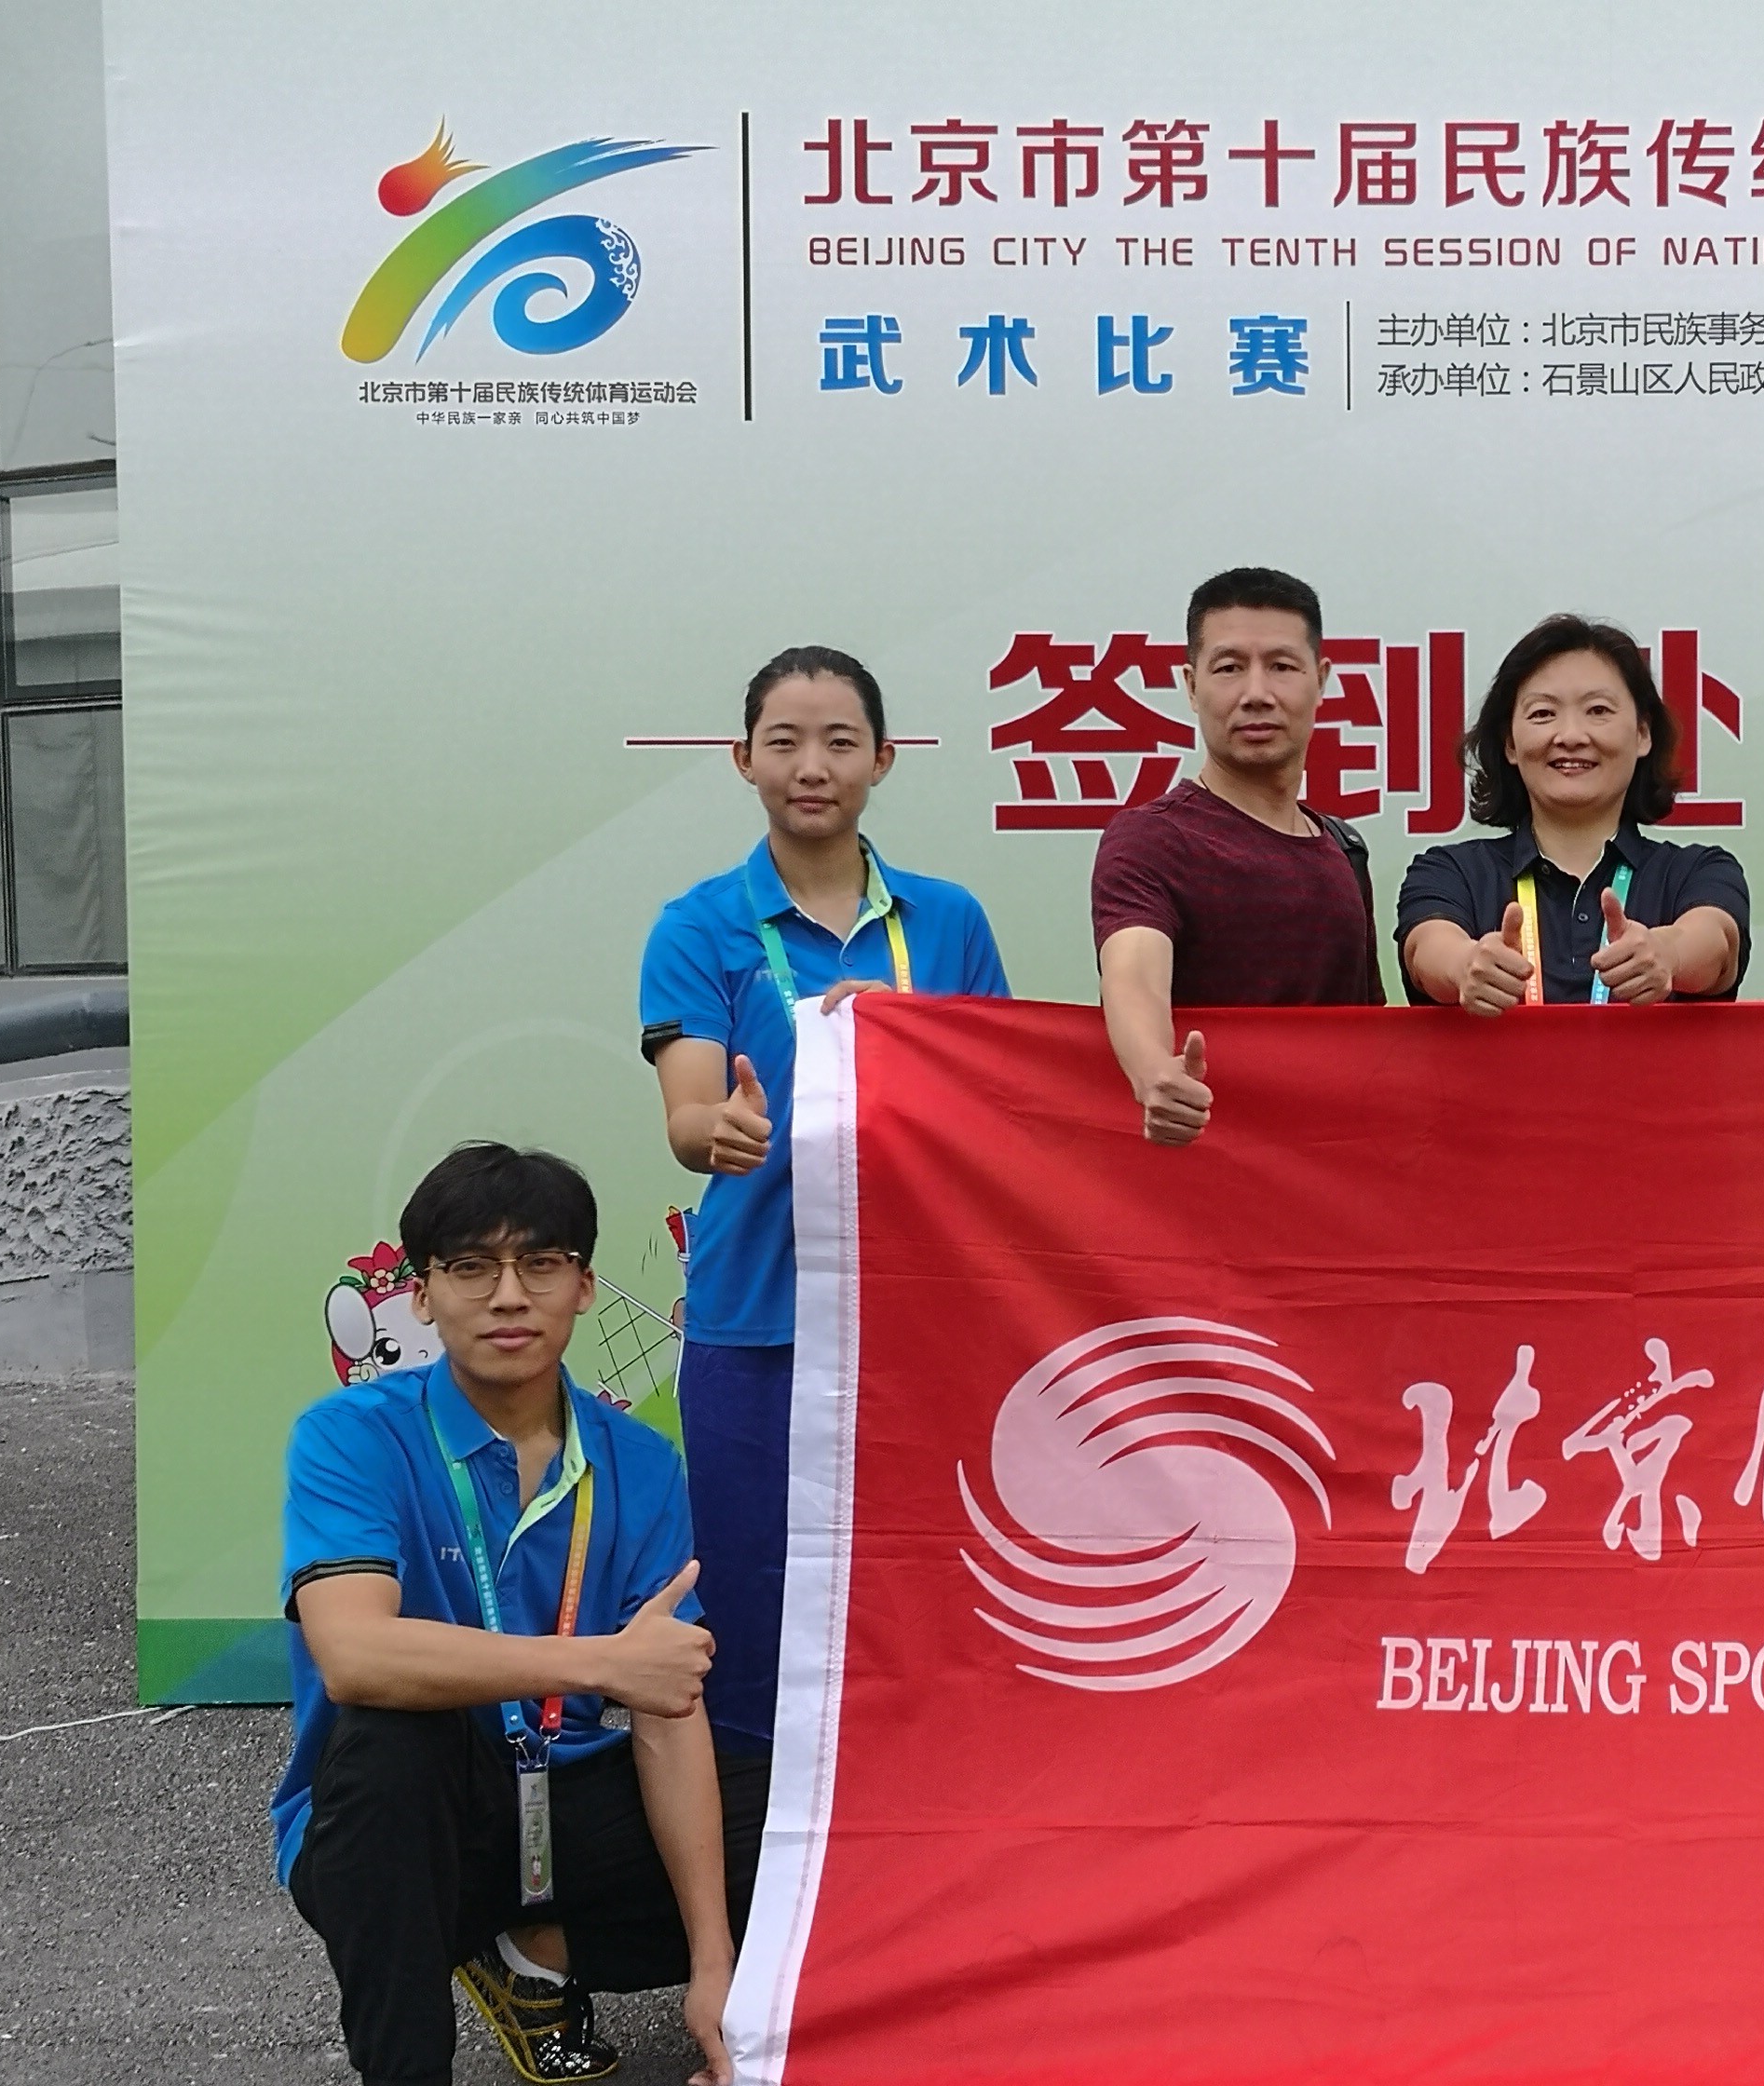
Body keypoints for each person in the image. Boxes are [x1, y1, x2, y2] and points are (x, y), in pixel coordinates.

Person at [276, 1143, 761, 2086]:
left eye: (540, 1262)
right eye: (472, 1266)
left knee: (798, 1825)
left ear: (583, 1285)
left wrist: (716, 1968)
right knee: (390, 1742)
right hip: (408, 1826)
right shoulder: (349, 1434)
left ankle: (532, 1957)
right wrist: (596, 1663)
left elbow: (665, 1706)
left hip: (562, 1801)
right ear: (422, 1293)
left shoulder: (639, 1462)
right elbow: (354, 1654)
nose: (508, 1295)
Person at [639, 645, 1010, 1755]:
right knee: (751, 1589)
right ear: (741, 758)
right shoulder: (699, 925)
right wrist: (724, 1128)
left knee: (926, 1577)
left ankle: (917, 1806)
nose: (813, 765)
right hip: (755, 1319)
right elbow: (687, 1113)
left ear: (882, 759)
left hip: (920, 1319)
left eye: (840, 741)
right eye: (786, 742)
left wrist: (907, 1044)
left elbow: (995, 1105)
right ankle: (757, 1832)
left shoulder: (946, 921)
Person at [1092, 566, 1388, 1144]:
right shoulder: (1151, 839)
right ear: (1190, 685)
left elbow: (1367, 1035)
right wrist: (1153, 1070)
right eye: (1229, 667)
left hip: (1335, 1172)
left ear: (1321, 680)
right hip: (1206, 1166)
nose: (1257, 693)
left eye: (1281, 666)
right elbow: (1133, 976)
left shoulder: (1343, 848)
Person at [1398, 614, 1748, 1010]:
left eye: (1598, 710)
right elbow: (1426, 950)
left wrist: (1666, 953)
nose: (1570, 736)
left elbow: (1716, 944)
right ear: (1510, 743)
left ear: (1642, 734)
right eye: (1542, 714)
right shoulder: (1451, 871)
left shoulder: (1697, 871)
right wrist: (1465, 965)